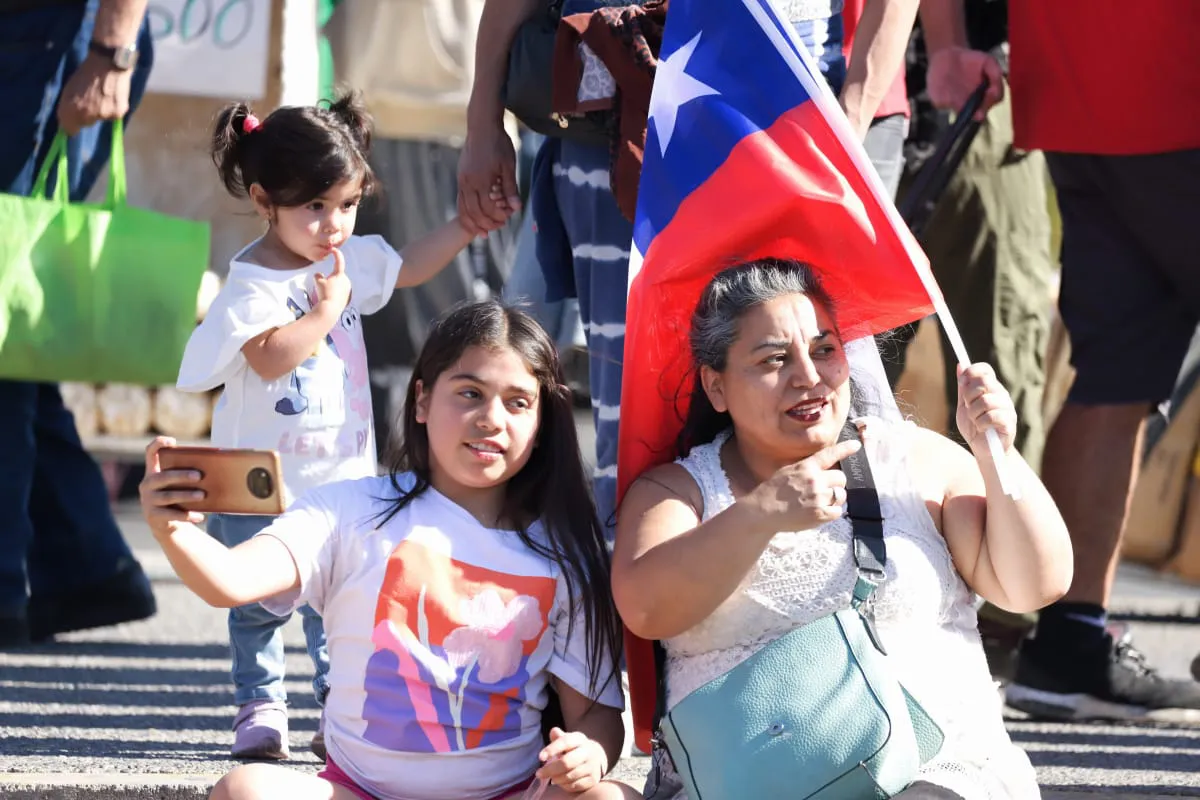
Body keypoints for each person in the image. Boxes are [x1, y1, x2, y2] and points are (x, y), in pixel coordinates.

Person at [460, 0, 923, 541]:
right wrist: (482, 120)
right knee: (634, 423)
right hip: (611, 132)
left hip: (782, 125)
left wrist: (848, 120)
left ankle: (808, 611)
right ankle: (640, 612)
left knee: (803, 397)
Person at [142, 300, 639, 800]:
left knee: (614, 798)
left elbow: (595, 713)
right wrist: (174, 531)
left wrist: (590, 754)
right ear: (421, 400)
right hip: (357, 792)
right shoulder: (349, 509)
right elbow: (232, 580)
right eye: (470, 393)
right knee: (244, 789)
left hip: (512, 794)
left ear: (540, 426)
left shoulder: (564, 555)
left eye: (517, 403)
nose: (491, 419)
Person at [612, 260, 1073, 799]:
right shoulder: (678, 492)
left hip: (942, 772)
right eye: (775, 359)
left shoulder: (917, 460)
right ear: (716, 386)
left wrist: (999, 455)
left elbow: (1035, 585)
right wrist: (761, 513)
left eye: (825, 349)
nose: (808, 376)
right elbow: (646, 609)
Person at [175, 91, 504, 760]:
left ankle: (340, 707)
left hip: (338, 479)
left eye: (347, 206)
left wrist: (465, 230)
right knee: (257, 607)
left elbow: (406, 265)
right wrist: (324, 315)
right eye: (314, 208)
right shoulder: (253, 284)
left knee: (345, 603)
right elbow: (269, 359)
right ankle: (261, 707)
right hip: (261, 481)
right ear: (265, 201)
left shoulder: (342, 265)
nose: (333, 226)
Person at [1001, 2, 1200, 719]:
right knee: (1114, 374)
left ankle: (1068, 644)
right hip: (1177, 77)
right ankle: (1066, 644)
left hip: (1074, 85)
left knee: (1113, 376)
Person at [0, 0, 156, 647]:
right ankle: (86, 565)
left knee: (5, 309)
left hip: (55, 39)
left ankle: (18, 581)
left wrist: (112, 49)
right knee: (12, 317)